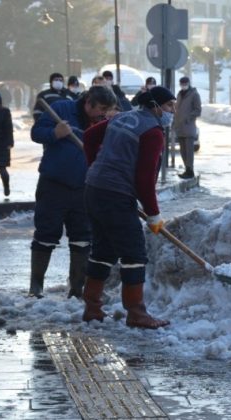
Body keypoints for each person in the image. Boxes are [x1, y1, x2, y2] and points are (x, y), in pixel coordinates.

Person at [81, 86, 175, 329]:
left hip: (94, 188)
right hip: (114, 193)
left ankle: (92, 307)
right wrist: (153, 214)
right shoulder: (153, 132)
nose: (172, 111)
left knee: (104, 250)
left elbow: (90, 137)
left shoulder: (122, 117)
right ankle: (136, 312)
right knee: (134, 252)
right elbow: (144, 179)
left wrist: (97, 167)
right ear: (154, 106)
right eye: (168, 106)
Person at [28, 86, 118, 299]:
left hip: (85, 187)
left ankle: (77, 288)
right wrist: (55, 133)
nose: (104, 113)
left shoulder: (105, 123)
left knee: (82, 237)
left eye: (108, 109)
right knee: (46, 234)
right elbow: (36, 133)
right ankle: (36, 286)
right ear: (88, 102)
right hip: (54, 184)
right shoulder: (62, 109)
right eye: (101, 108)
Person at [173, 76, 202, 179]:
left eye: (185, 84)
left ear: (188, 83)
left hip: (188, 127)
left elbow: (198, 110)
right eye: (182, 84)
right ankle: (187, 169)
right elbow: (177, 109)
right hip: (180, 127)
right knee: (183, 151)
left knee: (189, 151)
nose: (183, 86)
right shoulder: (180, 94)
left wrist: (188, 118)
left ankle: (190, 170)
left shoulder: (194, 94)